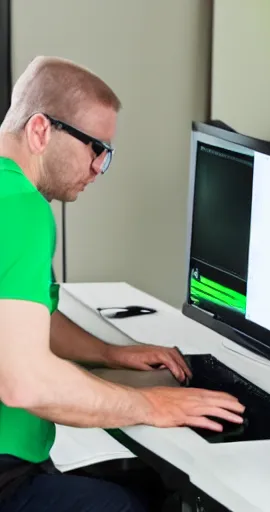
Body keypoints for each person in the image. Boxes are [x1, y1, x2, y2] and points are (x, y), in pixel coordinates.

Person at [0, 56, 245, 511]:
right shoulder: (21, 210)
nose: (98, 167)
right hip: (5, 473)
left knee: (148, 485)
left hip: (14, 461)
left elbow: (22, 319)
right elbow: (25, 384)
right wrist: (152, 405)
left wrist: (108, 353)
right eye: (95, 147)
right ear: (40, 131)